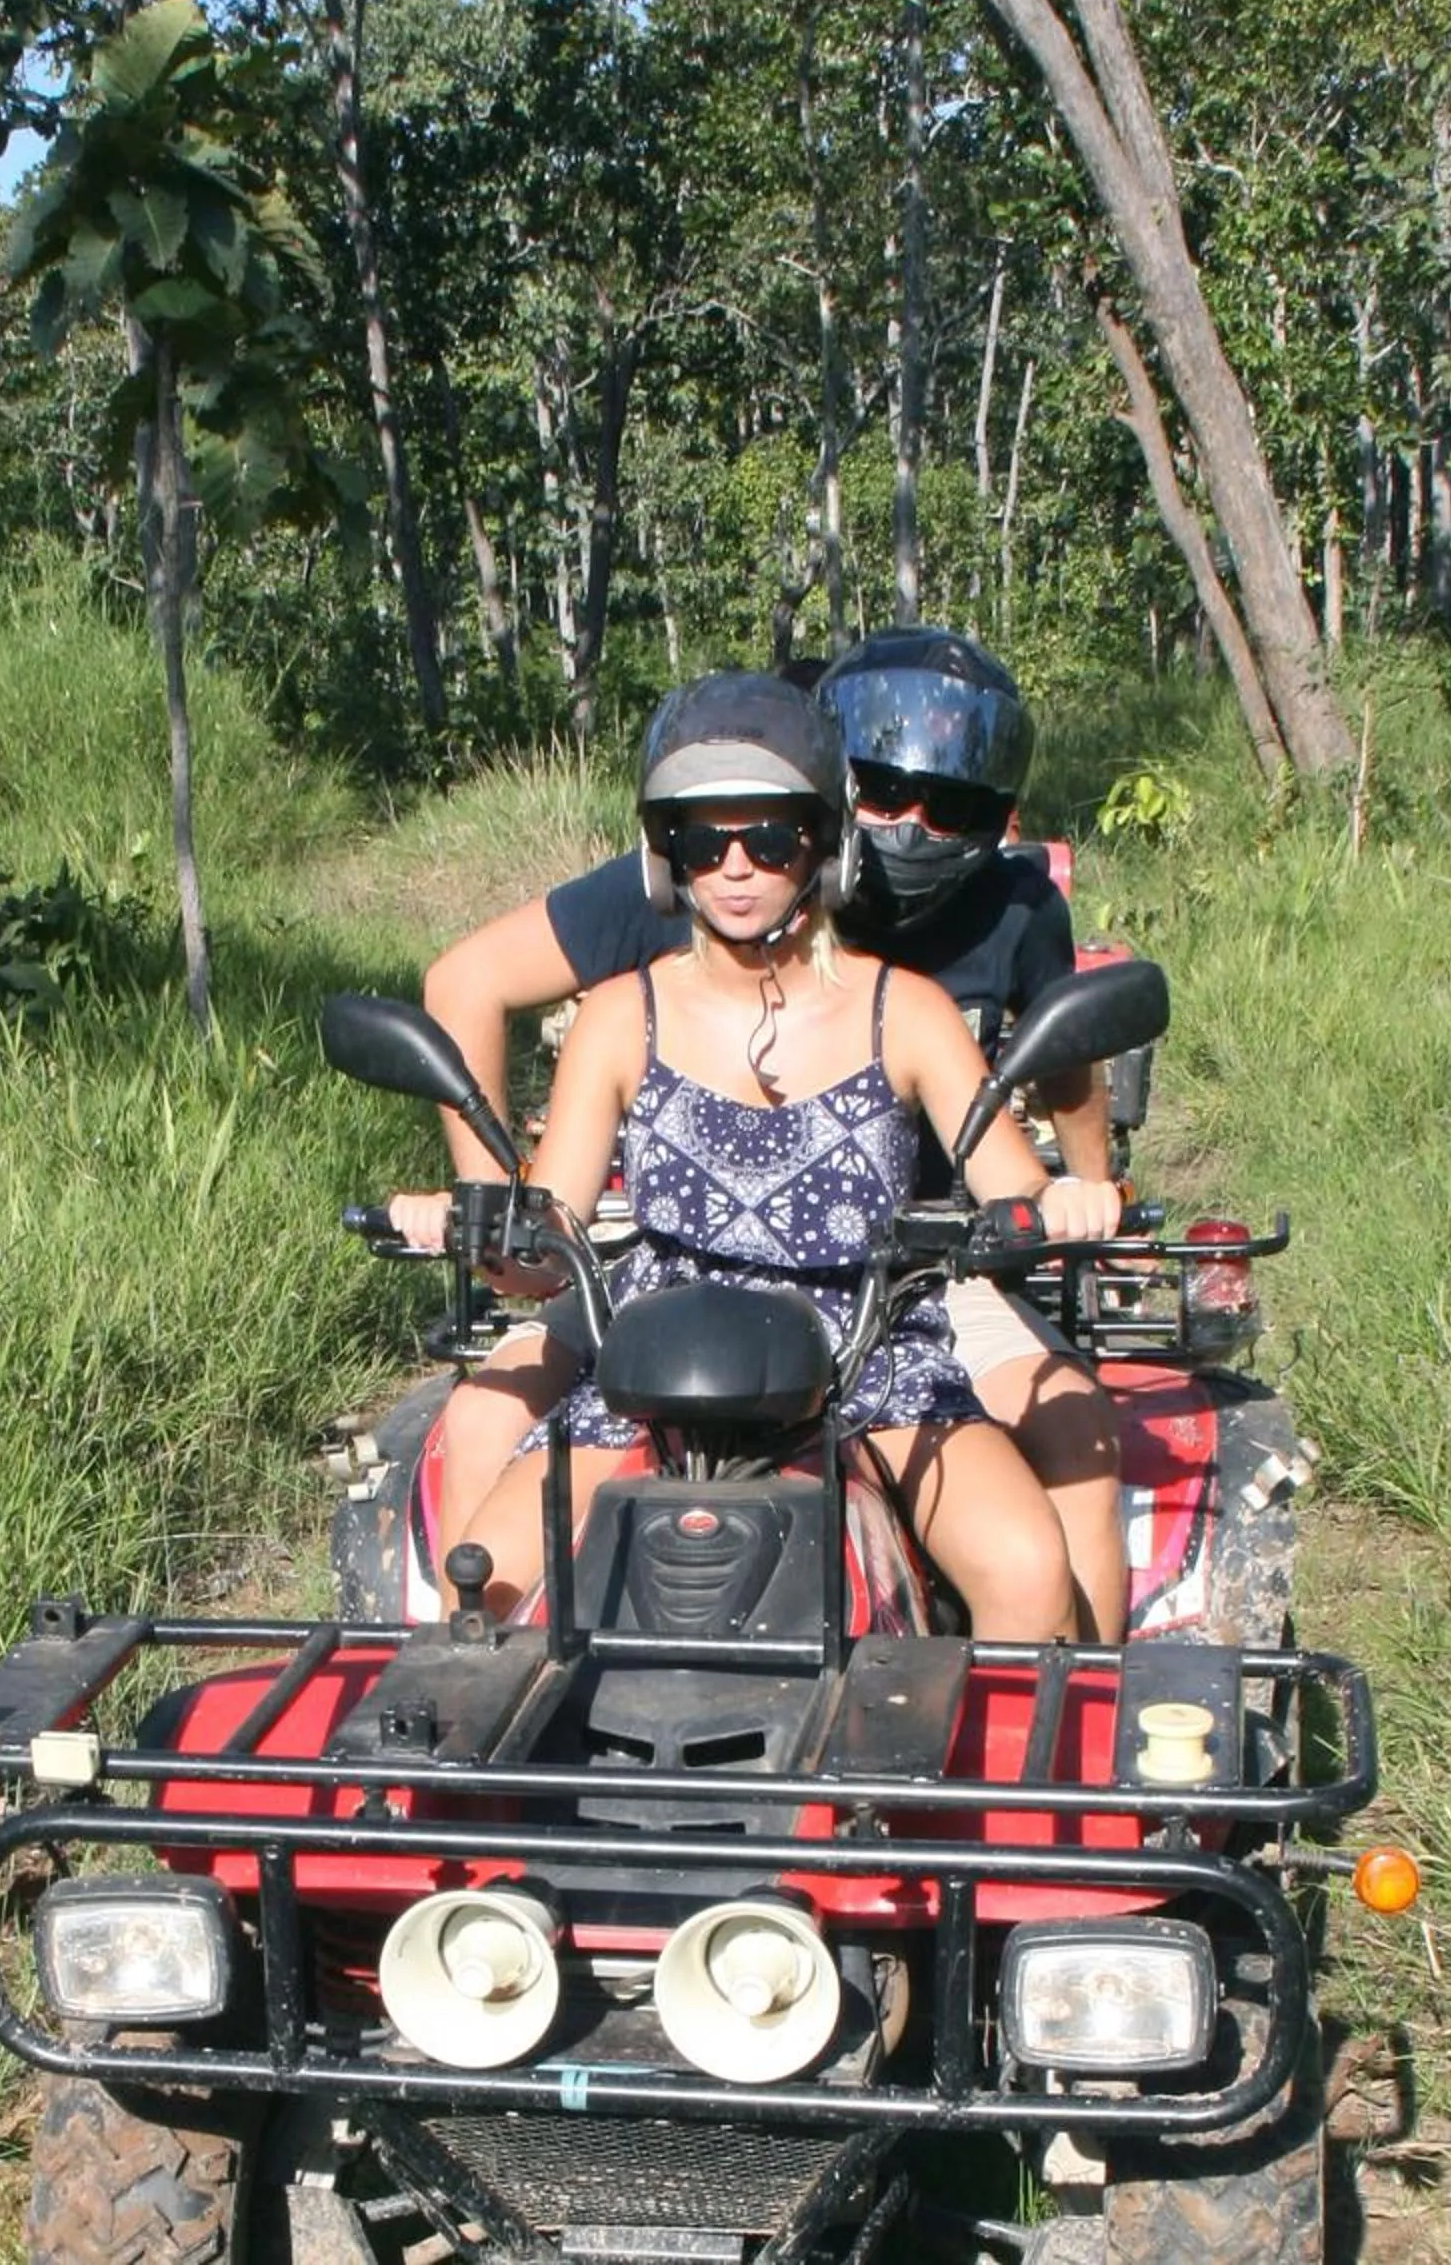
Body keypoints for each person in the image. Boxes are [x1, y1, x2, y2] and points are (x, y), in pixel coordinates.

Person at [416, 630, 1136, 1635]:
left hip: (871, 1343)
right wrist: (483, 1228)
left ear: (824, 846)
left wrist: (1063, 1200)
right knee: (482, 1585)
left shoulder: (908, 1010)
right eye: (702, 845)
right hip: (661, 1356)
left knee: (1026, 1561)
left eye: (770, 840)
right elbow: (555, 1235)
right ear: (666, 859)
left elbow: (1011, 1182)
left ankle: (1049, 1736)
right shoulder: (621, 1017)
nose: (736, 869)